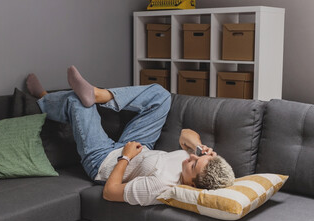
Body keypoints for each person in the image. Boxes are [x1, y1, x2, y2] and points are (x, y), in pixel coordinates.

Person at [26, 66, 235, 206]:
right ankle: (99, 94)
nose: (191, 158)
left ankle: (43, 99)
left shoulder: (161, 187)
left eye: (193, 165)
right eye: (199, 157)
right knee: (160, 96)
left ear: (191, 185)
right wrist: (199, 146)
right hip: (139, 146)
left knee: (77, 102)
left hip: (104, 161)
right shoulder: (195, 160)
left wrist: (125, 158)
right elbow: (184, 134)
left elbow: (111, 192)